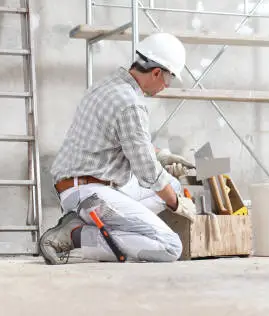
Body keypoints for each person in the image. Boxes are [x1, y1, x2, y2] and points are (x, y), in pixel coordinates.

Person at [39, 32, 197, 265]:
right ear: (156, 72)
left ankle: (80, 223)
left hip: (82, 185)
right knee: (170, 246)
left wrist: (161, 156)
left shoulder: (108, 85)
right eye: (169, 78)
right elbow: (148, 174)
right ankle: (77, 235)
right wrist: (177, 204)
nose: (166, 86)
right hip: (91, 193)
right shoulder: (130, 103)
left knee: (170, 184)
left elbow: (127, 141)